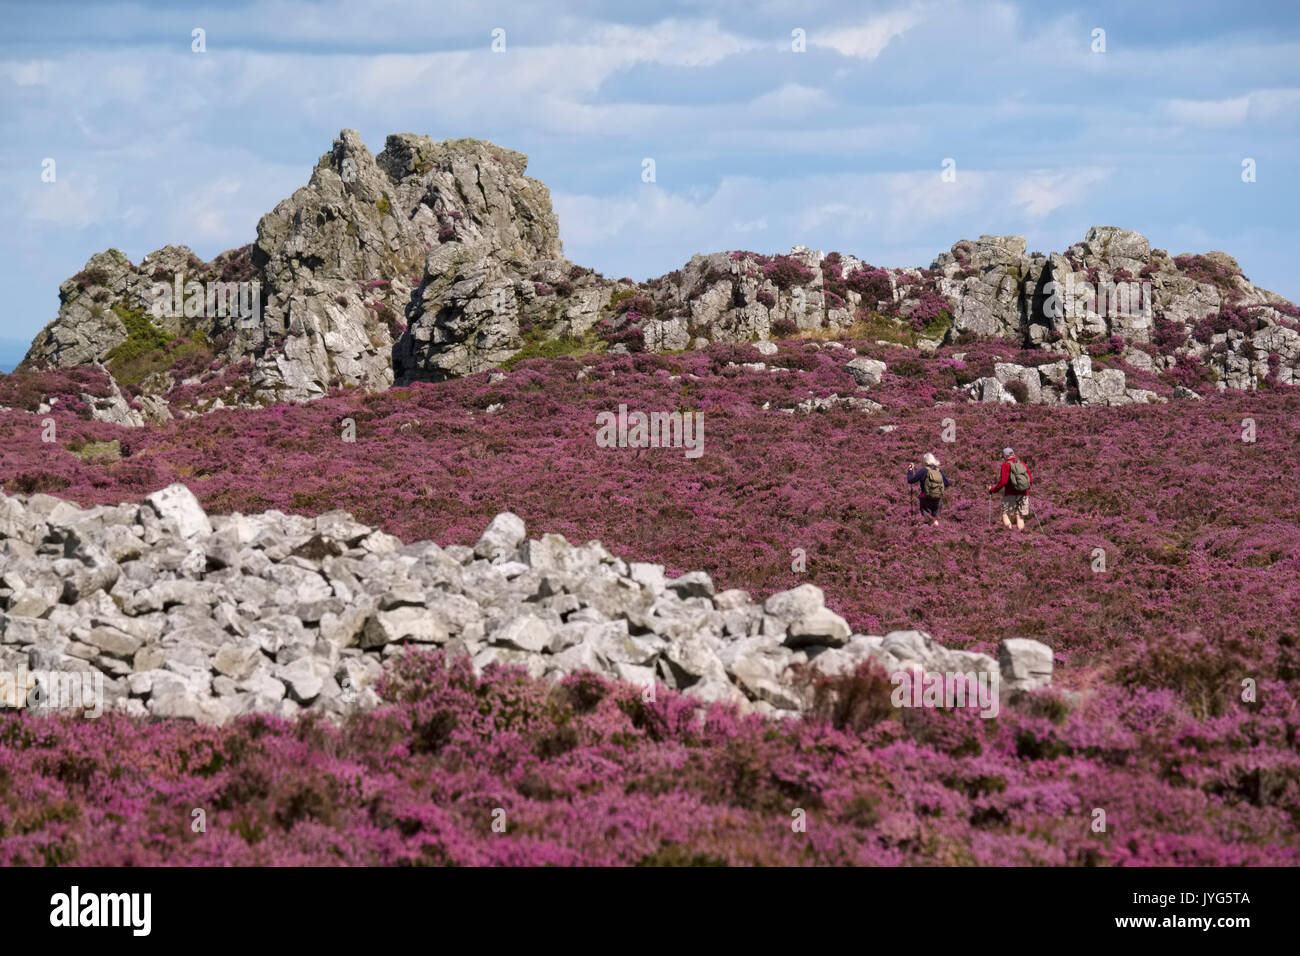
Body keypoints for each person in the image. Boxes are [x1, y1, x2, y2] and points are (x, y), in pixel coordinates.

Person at [988, 446, 1031, 531]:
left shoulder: (1006, 465)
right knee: (1020, 516)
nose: (1003, 459)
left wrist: (993, 489)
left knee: (1005, 514)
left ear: (1006, 456)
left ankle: (1009, 535)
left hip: (1010, 494)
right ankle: (1020, 537)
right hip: (1024, 494)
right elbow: (1030, 480)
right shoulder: (1023, 464)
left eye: (1003, 457)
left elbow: (1003, 481)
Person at [906, 452, 952, 526]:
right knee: (935, 520)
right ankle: (936, 533)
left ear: (924, 461)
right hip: (938, 498)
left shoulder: (923, 471)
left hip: (925, 497)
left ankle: (929, 533)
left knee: (928, 519)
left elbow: (910, 480)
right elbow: (947, 484)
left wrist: (910, 471)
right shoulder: (939, 471)